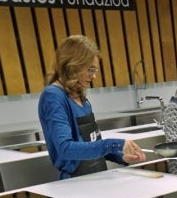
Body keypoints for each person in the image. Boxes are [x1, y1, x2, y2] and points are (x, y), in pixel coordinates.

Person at [38, 35, 146, 180]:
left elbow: (92, 143)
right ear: (74, 65)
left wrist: (122, 158)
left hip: (97, 177)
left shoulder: (80, 96)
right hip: (76, 184)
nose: (94, 76)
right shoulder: (53, 96)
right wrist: (114, 144)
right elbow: (65, 148)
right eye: (90, 70)